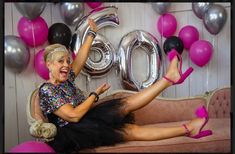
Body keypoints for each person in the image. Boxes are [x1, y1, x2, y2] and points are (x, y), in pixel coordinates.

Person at [39, 18, 212, 153]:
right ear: (48, 64)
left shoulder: (66, 78)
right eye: (60, 61)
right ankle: (189, 128)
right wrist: (95, 95)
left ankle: (169, 79)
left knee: (125, 104)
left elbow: (80, 59)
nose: (66, 65)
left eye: (67, 61)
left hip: (87, 118)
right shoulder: (47, 90)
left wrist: (91, 33)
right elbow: (74, 116)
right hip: (73, 132)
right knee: (131, 131)